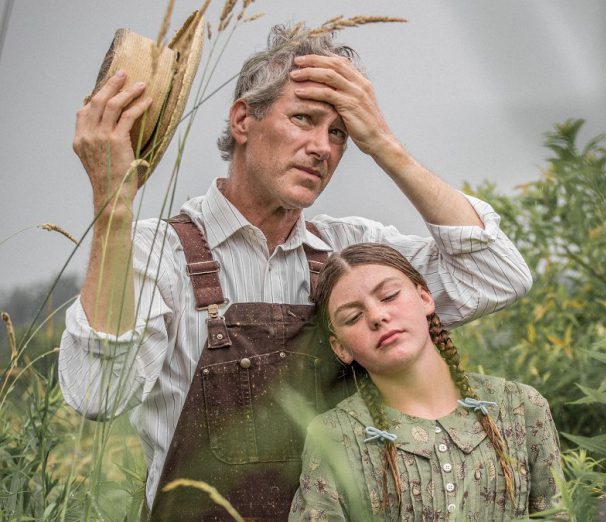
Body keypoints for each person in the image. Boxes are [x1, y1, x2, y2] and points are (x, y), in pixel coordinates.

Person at [59, 23, 533, 520]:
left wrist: (384, 145)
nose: (322, 148)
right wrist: (112, 204)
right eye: (303, 119)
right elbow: (99, 393)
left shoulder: (347, 253)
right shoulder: (158, 253)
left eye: (339, 134)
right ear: (243, 119)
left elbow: (494, 275)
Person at [289, 243, 563, 521]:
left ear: (424, 298)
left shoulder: (521, 407)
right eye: (353, 317)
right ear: (340, 348)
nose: (377, 316)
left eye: (389, 296)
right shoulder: (334, 436)